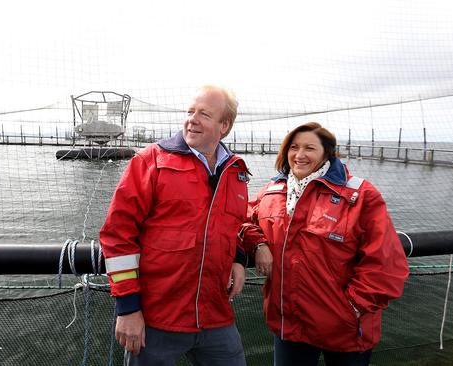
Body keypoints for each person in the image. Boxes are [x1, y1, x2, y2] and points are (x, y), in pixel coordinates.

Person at [100, 85, 251, 366]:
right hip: (156, 320)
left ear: (224, 126)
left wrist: (239, 258)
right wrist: (128, 309)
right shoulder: (150, 162)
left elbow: (235, 226)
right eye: (190, 111)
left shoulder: (236, 172)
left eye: (204, 114)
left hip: (216, 317)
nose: (192, 119)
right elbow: (117, 236)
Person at [239, 122, 409, 366]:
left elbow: (386, 264)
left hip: (345, 329)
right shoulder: (271, 193)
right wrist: (258, 244)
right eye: (294, 147)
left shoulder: (360, 196)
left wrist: (351, 309)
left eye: (309, 148)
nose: (299, 155)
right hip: (290, 325)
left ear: (327, 153)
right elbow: (241, 221)